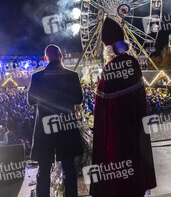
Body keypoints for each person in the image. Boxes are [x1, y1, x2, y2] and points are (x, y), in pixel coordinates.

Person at [90, 17, 157, 197]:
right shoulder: (134, 63)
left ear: (108, 46)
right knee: (135, 156)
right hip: (135, 125)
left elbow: (102, 103)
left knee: (119, 159)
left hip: (116, 129)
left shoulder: (110, 68)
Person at [27, 44, 84, 197]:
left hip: (45, 129)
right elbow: (79, 99)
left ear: (46, 58)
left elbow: (31, 101)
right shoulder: (72, 76)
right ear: (61, 56)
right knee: (69, 169)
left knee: (44, 169)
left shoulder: (37, 77)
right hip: (66, 128)